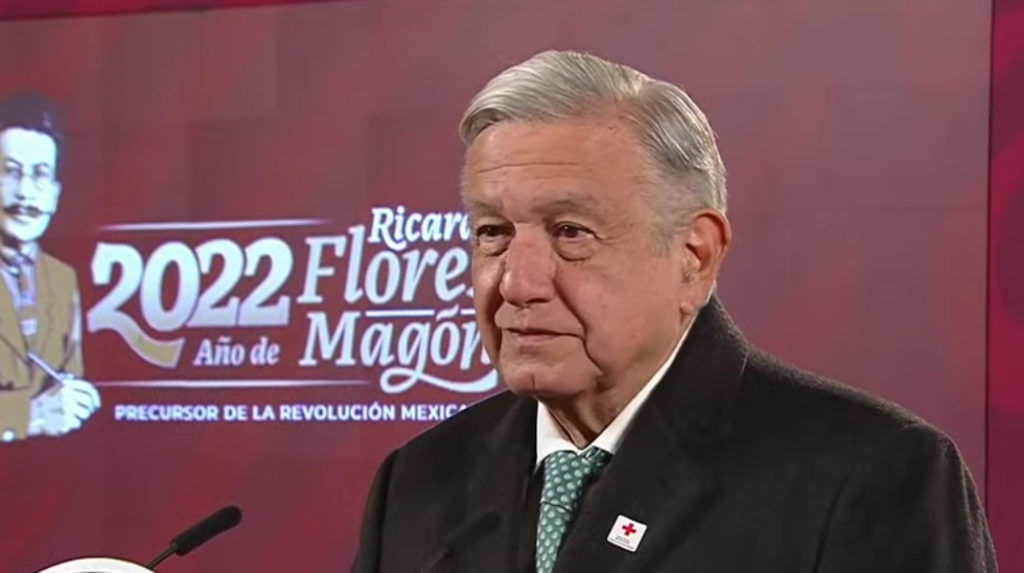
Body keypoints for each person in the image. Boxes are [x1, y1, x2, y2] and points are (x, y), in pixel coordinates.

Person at [351, 50, 998, 572]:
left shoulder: (869, 474)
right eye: (493, 233)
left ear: (695, 255)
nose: (517, 282)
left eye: (571, 233)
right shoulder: (420, 480)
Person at [0, 91, 99, 443]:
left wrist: (78, 402)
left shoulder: (62, 279)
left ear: (55, 195)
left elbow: (68, 379)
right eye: (10, 172)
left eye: (40, 175)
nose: (25, 193)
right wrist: (33, 417)